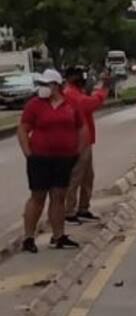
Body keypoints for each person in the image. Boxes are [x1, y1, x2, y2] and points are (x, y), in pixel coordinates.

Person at [19, 69, 85, 253]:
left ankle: (58, 236)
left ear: (56, 86)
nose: (43, 88)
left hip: (64, 158)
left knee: (58, 196)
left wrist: (77, 151)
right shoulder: (34, 105)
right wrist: (28, 153)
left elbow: (81, 128)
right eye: (42, 84)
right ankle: (28, 237)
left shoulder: (71, 104)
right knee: (37, 197)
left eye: (47, 84)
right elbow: (23, 129)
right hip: (40, 158)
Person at [63, 65, 110, 224]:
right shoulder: (71, 93)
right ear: (69, 78)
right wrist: (104, 90)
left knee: (87, 176)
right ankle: (69, 211)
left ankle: (83, 208)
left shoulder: (76, 92)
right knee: (76, 176)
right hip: (78, 141)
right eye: (77, 75)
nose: (81, 78)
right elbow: (90, 104)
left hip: (86, 140)